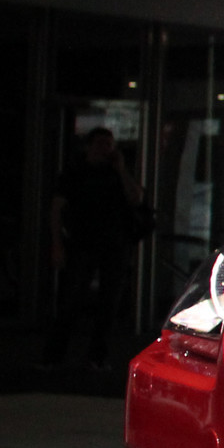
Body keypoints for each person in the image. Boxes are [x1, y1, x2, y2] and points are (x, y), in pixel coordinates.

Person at [45, 126, 146, 369]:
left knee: (109, 302)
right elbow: (57, 208)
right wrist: (57, 244)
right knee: (71, 299)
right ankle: (56, 356)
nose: (106, 149)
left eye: (109, 144)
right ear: (89, 146)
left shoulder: (116, 173)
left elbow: (136, 198)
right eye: (101, 144)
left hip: (115, 244)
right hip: (83, 243)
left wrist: (121, 170)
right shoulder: (75, 173)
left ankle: (97, 356)